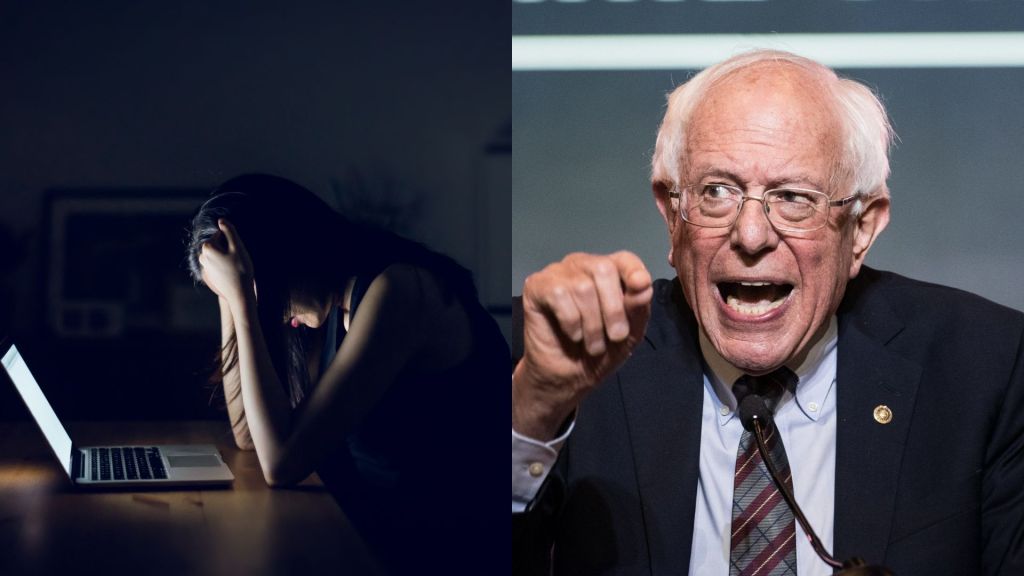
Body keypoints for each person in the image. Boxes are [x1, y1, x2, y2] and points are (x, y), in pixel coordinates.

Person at [511, 50, 1024, 575]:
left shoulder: (988, 370)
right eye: (716, 192)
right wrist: (533, 409)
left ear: (862, 228)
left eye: (794, 197)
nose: (750, 235)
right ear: (672, 214)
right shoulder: (556, 357)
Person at [187, 174, 507, 574]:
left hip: (441, 550)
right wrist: (231, 300)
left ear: (277, 261)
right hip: (373, 532)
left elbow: (280, 464)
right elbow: (248, 435)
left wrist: (240, 297)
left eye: (248, 285)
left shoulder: (399, 291)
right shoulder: (339, 303)